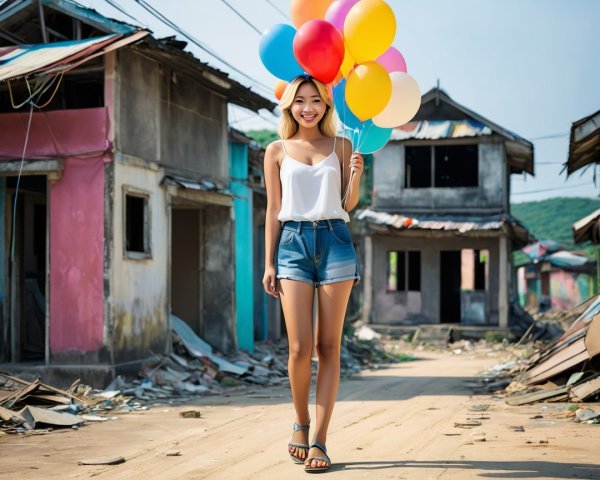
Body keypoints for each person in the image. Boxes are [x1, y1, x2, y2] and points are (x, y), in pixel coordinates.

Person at [262, 74, 364, 473]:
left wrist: (356, 172)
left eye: (316, 100)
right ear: (289, 106)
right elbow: (273, 209)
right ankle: (300, 424)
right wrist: (269, 261)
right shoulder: (275, 150)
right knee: (299, 347)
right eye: (300, 100)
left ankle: (320, 440)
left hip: (336, 241)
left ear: (326, 105)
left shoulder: (341, 145)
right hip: (292, 245)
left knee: (328, 347)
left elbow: (348, 203)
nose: (308, 107)